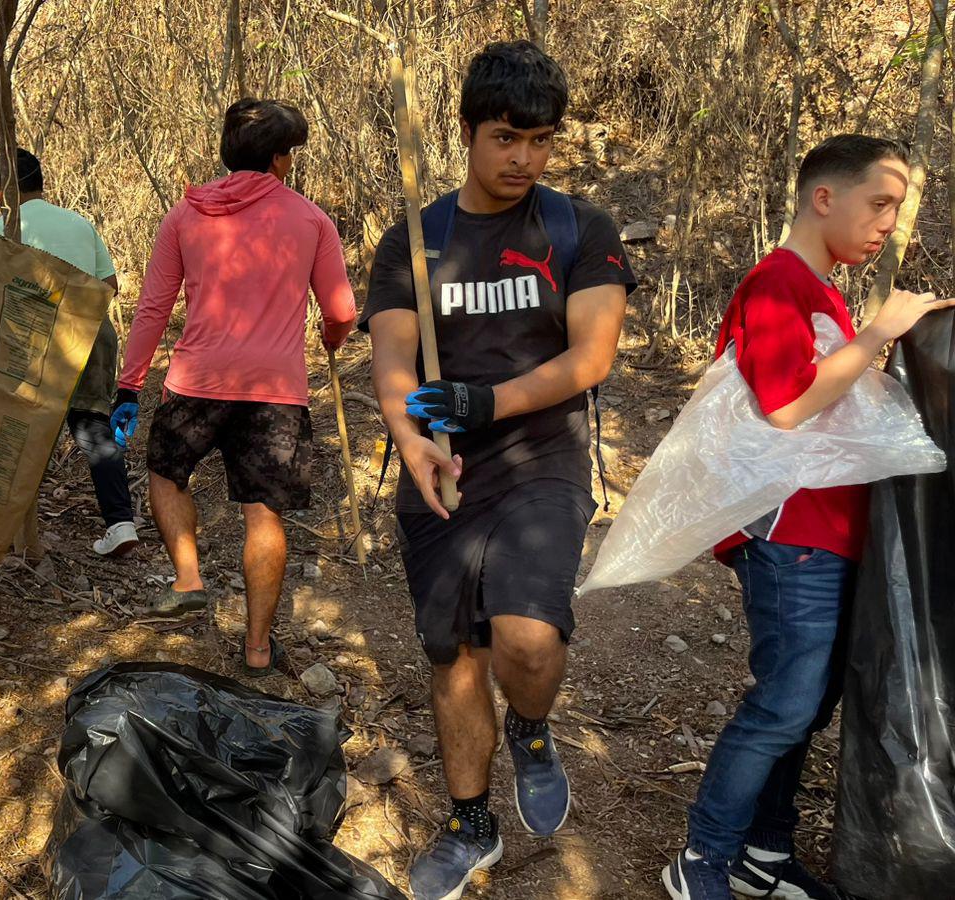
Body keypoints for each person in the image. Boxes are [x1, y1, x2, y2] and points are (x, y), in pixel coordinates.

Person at [362, 41, 635, 899]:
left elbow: (591, 357)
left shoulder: (576, 228)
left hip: (540, 460)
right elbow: (394, 358)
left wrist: (488, 403)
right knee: (452, 658)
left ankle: (533, 727)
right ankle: (472, 821)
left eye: (541, 140)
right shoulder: (417, 237)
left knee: (526, 636)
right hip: (440, 469)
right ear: (470, 131)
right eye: (506, 137)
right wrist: (413, 438)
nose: (523, 157)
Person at [661, 136, 954, 900]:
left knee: (810, 704)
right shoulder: (776, 285)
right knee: (783, 704)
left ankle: (763, 853)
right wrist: (878, 334)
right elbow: (788, 404)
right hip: (789, 537)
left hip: (829, 535)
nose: (891, 222)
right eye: (880, 202)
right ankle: (701, 861)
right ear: (825, 198)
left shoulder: (820, 290)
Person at [116, 98, 356, 674]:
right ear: (277, 159)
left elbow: (152, 308)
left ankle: (188, 577)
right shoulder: (310, 220)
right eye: (288, 154)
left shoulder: (184, 216)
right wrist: (331, 335)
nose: (291, 163)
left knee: (167, 475)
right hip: (275, 391)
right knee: (263, 515)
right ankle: (256, 647)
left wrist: (129, 384)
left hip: (196, 382)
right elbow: (343, 308)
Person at [0, 148, 138, 557]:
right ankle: (121, 523)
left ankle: (10, 537)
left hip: (34, 345)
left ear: (3, 189)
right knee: (93, 430)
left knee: (22, 435)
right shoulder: (78, 223)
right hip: (91, 336)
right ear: (42, 181)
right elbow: (110, 283)